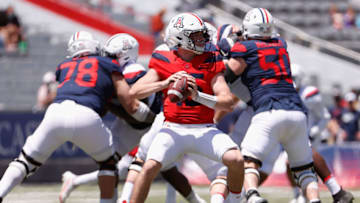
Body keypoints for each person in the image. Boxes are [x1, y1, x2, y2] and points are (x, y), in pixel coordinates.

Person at [0, 31, 155, 203]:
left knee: (24, 162)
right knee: (109, 165)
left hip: (56, 112)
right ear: (93, 45)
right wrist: (151, 118)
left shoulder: (64, 65)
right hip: (86, 114)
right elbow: (131, 104)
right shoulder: (107, 63)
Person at [59, 33, 206, 203]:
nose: (108, 59)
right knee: (112, 164)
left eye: (112, 55)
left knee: (160, 165)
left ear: (124, 55)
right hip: (133, 124)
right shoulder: (112, 72)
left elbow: (133, 104)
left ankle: (125, 198)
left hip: (151, 121)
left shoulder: (132, 71)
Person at [129, 12, 244, 203]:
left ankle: (236, 199)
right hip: (172, 129)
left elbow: (227, 101)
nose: (203, 39)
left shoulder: (211, 58)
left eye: (202, 34)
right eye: (196, 35)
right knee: (148, 167)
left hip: (204, 129)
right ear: (180, 37)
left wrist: (198, 97)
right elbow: (135, 91)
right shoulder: (163, 57)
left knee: (236, 159)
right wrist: (164, 83)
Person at [219, 8, 320, 203]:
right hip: (297, 111)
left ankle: (252, 195)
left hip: (269, 109)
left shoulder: (244, 47)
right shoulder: (281, 44)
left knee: (248, 161)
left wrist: (225, 44)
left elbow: (229, 74)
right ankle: (314, 199)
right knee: (304, 168)